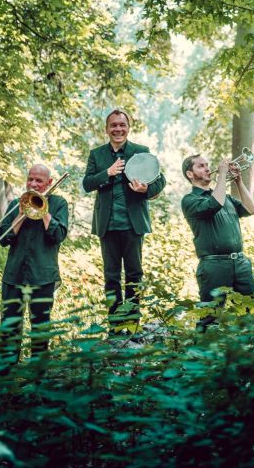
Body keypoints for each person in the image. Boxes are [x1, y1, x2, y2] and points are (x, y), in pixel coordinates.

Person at [83, 109, 166, 338]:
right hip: (107, 225)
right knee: (111, 276)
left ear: (128, 127)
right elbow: (87, 183)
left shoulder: (141, 152)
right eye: (113, 125)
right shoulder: (97, 154)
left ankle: (132, 327)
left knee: (134, 275)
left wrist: (146, 189)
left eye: (122, 125)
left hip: (133, 224)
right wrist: (107, 173)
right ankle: (115, 327)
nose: (118, 129)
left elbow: (161, 181)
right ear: (107, 129)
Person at [0, 164, 69, 360]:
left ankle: (37, 376)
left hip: (43, 275)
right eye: (31, 179)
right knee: (10, 325)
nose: (33, 184)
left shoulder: (59, 204)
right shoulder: (15, 204)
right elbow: (3, 239)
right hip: (14, 274)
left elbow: (59, 235)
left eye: (39, 180)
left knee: (40, 327)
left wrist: (43, 210)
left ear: (49, 183)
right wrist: (21, 213)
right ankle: (7, 373)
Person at [180, 153, 254, 324]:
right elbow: (215, 204)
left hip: (240, 263)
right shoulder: (190, 200)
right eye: (201, 166)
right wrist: (222, 175)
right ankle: (199, 349)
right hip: (213, 266)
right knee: (209, 317)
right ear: (190, 174)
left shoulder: (227, 198)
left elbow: (251, 209)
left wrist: (238, 181)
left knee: (251, 311)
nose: (208, 168)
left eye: (207, 164)